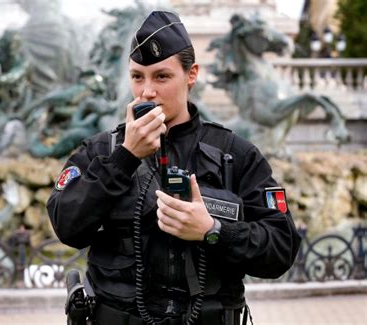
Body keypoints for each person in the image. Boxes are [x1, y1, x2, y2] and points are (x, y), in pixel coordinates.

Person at [47, 11, 301, 325]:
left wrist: (213, 231)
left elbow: (282, 248)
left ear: (191, 74)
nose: (146, 91)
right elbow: (67, 226)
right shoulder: (102, 151)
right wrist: (125, 157)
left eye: (161, 76)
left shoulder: (235, 154)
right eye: (137, 76)